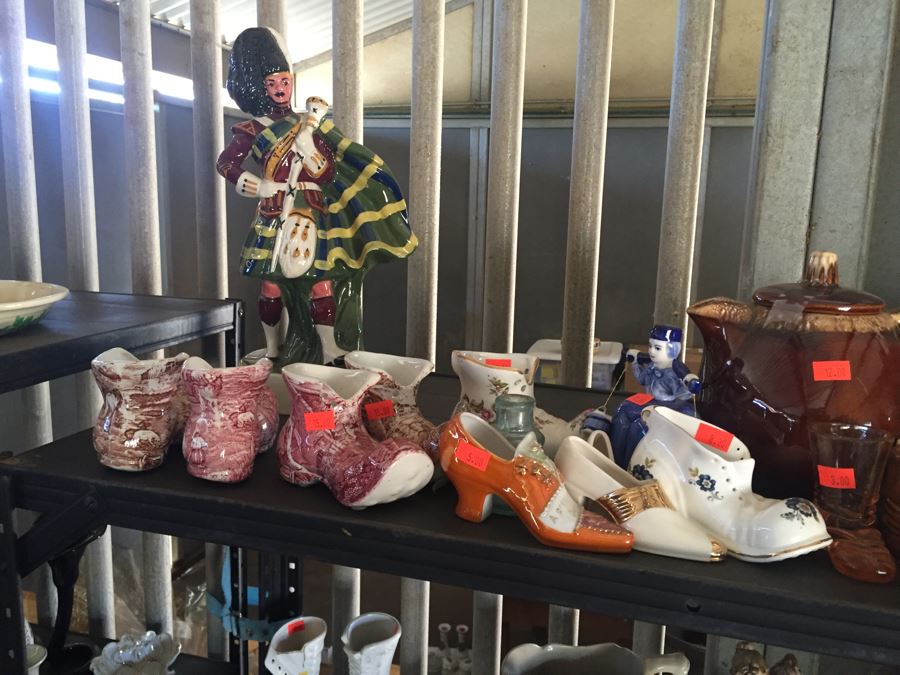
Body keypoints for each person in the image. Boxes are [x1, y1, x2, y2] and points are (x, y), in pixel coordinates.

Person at [217, 27, 417, 364]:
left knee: (321, 283)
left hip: (309, 212)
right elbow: (227, 163)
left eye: (285, 81)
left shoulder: (312, 123)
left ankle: (328, 350)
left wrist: (308, 146)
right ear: (259, 86)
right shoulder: (252, 129)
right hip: (272, 210)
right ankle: (272, 350)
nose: (281, 89)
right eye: (272, 83)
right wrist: (253, 184)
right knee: (270, 286)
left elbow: (325, 172)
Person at [608, 325, 701, 467]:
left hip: (666, 407)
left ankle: (629, 464)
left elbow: (682, 395)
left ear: (672, 349)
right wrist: (634, 363)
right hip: (650, 402)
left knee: (638, 427)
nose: (651, 351)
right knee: (621, 412)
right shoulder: (652, 366)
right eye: (650, 346)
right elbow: (641, 380)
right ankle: (614, 460)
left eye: (657, 348)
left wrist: (688, 383)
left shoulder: (674, 373)